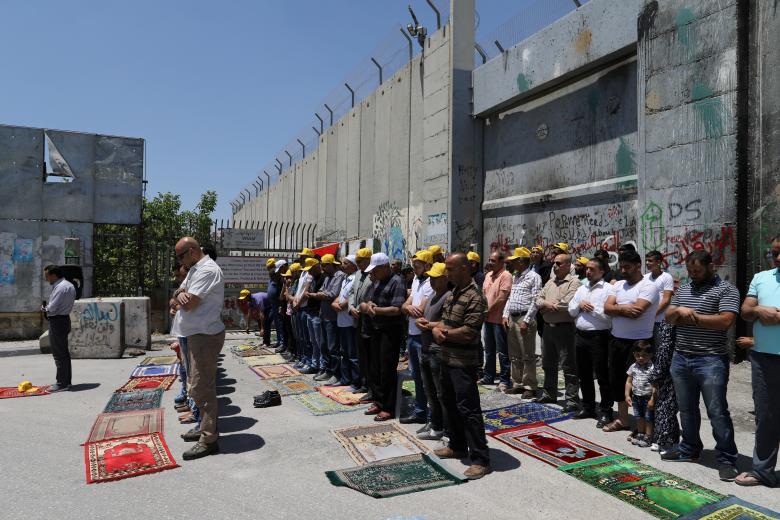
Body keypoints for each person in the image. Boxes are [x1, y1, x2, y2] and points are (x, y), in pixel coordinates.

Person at [660, 251, 741, 481]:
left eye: (697, 271)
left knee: (717, 411)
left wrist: (691, 316)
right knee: (686, 409)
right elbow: (668, 316)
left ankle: (727, 458)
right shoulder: (685, 289)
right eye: (690, 271)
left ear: (711, 266)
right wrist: (678, 312)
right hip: (681, 357)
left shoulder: (726, 290)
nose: (693, 275)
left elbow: (724, 321)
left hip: (711, 360)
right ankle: (689, 448)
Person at [430, 253, 492, 479]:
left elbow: (469, 332)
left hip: (463, 362)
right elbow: (446, 322)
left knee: (469, 409)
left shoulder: (475, 296)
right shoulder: (453, 293)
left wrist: (441, 334)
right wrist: (436, 327)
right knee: (449, 403)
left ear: (465, 269)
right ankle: (457, 445)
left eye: (451, 269)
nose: (447, 273)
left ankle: (480, 459)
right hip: (447, 358)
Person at [173, 236, 225, 460]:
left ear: (192, 250)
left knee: (201, 388)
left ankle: (209, 438)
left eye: (181, 255)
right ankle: (204, 427)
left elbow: (191, 302)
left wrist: (182, 297)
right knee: (196, 386)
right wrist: (179, 295)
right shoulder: (194, 268)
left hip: (204, 335)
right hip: (193, 334)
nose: (180, 261)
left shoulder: (208, 270)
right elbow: (176, 296)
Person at [737, 237, 780, 488]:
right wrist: (759, 312)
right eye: (774, 253)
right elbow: (745, 310)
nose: (777, 258)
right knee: (766, 415)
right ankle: (763, 470)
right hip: (764, 358)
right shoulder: (761, 278)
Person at [603, 250, 659, 434]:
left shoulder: (648, 286)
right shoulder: (618, 285)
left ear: (638, 266)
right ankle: (623, 420)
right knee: (618, 381)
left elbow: (638, 311)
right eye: (621, 267)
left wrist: (617, 308)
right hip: (617, 340)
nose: (623, 270)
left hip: (639, 344)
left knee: (641, 384)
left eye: (627, 267)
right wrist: (623, 308)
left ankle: (643, 424)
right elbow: (606, 308)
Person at [568, 258, 613, 425]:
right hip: (580, 336)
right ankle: (588, 407)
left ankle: (606, 411)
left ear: (601, 272)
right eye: (587, 269)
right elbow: (571, 310)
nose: (588, 272)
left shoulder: (608, 289)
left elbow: (608, 317)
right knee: (584, 374)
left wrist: (590, 309)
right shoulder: (582, 288)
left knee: (602, 375)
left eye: (592, 269)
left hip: (599, 337)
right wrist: (580, 305)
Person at [362, 253, 406, 421]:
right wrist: (370, 305)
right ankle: (379, 401)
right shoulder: (379, 281)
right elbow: (372, 300)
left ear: (384, 268)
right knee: (375, 368)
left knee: (387, 369)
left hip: (390, 331)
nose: (373, 274)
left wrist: (375, 310)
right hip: (376, 328)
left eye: (375, 270)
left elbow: (396, 309)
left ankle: (388, 407)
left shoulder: (397, 281)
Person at [535, 254, 581, 410]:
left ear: (568, 265)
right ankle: (549, 394)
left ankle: (572, 400)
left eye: (558, 263)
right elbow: (537, 299)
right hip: (548, 328)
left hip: (565, 329)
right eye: (554, 263)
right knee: (548, 364)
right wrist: (549, 304)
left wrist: (547, 305)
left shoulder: (574, 283)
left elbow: (567, 303)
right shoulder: (550, 282)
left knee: (568, 366)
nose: (554, 266)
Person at [415, 262, 452, 441]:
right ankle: (436, 426)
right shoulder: (432, 296)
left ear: (445, 279)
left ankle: (446, 428)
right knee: (429, 390)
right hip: (426, 349)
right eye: (430, 277)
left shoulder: (448, 296)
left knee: (441, 393)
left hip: (437, 351)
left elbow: (448, 322)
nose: (431, 281)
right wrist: (419, 321)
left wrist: (427, 325)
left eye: (435, 278)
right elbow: (423, 315)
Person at [502, 247, 542, 399]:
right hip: (512, 318)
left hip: (524, 318)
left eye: (514, 260)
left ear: (521, 261)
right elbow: (511, 298)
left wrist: (527, 320)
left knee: (527, 354)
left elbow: (535, 300)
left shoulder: (534, 277)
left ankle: (529, 386)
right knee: (514, 354)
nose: (512, 263)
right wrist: (505, 315)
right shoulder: (515, 276)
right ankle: (517, 383)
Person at [401, 250, 435, 424]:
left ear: (427, 265)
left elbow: (420, 309)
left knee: (426, 376)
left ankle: (431, 414)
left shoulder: (431, 282)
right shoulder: (416, 279)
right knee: (416, 375)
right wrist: (407, 307)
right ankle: (420, 410)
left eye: (417, 266)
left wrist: (408, 308)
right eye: (413, 266)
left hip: (423, 335)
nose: (414, 269)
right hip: (412, 333)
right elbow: (408, 303)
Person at [309, 254, 345, 385]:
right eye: (322, 265)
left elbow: (332, 294)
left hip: (332, 317)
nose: (323, 268)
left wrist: (318, 295)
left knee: (333, 347)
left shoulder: (339, 276)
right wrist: (320, 294)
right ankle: (328, 370)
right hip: (324, 315)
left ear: (331, 264)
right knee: (323, 344)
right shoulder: (328, 277)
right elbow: (323, 290)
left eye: (325, 265)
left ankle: (336, 373)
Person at [480, 251, 513, 391]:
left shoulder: (506, 276)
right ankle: (489, 376)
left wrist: (488, 310)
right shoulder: (487, 275)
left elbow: (502, 298)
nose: (490, 262)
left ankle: (505, 380)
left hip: (499, 319)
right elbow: (483, 294)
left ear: (501, 262)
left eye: (493, 260)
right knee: (489, 350)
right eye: (489, 260)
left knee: (502, 351)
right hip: (487, 319)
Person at [42, 265, 76, 392]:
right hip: (64, 319)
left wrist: (45, 308)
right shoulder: (68, 285)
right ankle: (67, 381)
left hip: (57, 321)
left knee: (58, 354)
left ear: (53, 275)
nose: (46, 279)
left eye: (47, 276)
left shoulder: (60, 287)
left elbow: (53, 307)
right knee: (64, 353)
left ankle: (61, 383)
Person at [349, 248, 375, 398]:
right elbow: (353, 292)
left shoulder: (373, 275)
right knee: (361, 354)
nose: (357, 264)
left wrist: (358, 308)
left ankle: (371, 387)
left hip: (368, 319)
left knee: (369, 354)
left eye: (359, 262)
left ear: (367, 260)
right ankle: (364, 383)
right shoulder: (359, 273)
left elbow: (371, 296)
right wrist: (352, 307)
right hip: (357, 318)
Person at [333, 255, 360, 388]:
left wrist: (342, 305)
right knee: (343, 351)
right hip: (341, 321)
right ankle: (345, 378)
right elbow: (340, 295)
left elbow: (354, 296)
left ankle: (355, 381)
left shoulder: (356, 278)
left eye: (346, 263)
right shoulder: (345, 278)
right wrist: (335, 303)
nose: (342, 265)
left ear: (354, 265)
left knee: (352, 353)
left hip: (350, 321)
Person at [626, 341, 656, 448]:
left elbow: (655, 386)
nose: (640, 358)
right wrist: (627, 395)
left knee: (648, 417)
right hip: (636, 396)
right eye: (638, 355)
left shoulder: (653, 369)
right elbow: (629, 382)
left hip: (647, 397)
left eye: (644, 355)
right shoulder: (633, 367)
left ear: (650, 355)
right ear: (634, 354)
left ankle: (648, 436)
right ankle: (640, 434)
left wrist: (653, 399)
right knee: (639, 417)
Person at [299, 257, 324, 376]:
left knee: (320, 342)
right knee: (313, 341)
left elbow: (320, 295)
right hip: (311, 312)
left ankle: (322, 366)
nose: (308, 272)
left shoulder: (323, 278)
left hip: (318, 313)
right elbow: (306, 293)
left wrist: (310, 295)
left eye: (310, 269)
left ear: (316, 266)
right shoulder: (312, 278)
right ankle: (315, 364)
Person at [644, 250, 674, 340]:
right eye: (646, 260)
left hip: (660, 321)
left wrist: (652, 315)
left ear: (658, 262)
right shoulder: (644, 277)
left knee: (658, 349)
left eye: (650, 261)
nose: (647, 263)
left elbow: (666, 300)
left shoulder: (666, 277)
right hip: (646, 321)